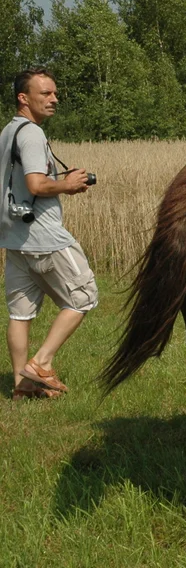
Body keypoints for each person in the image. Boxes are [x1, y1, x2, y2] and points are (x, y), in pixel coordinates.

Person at [2, 68, 98, 400]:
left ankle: (21, 386)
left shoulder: (8, 132)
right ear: (23, 98)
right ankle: (41, 364)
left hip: (15, 239)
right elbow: (35, 184)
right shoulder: (31, 134)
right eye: (45, 94)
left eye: (55, 93)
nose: (54, 99)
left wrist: (62, 178)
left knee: (20, 313)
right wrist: (67, 185)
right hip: (43, 237)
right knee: (84, 295)